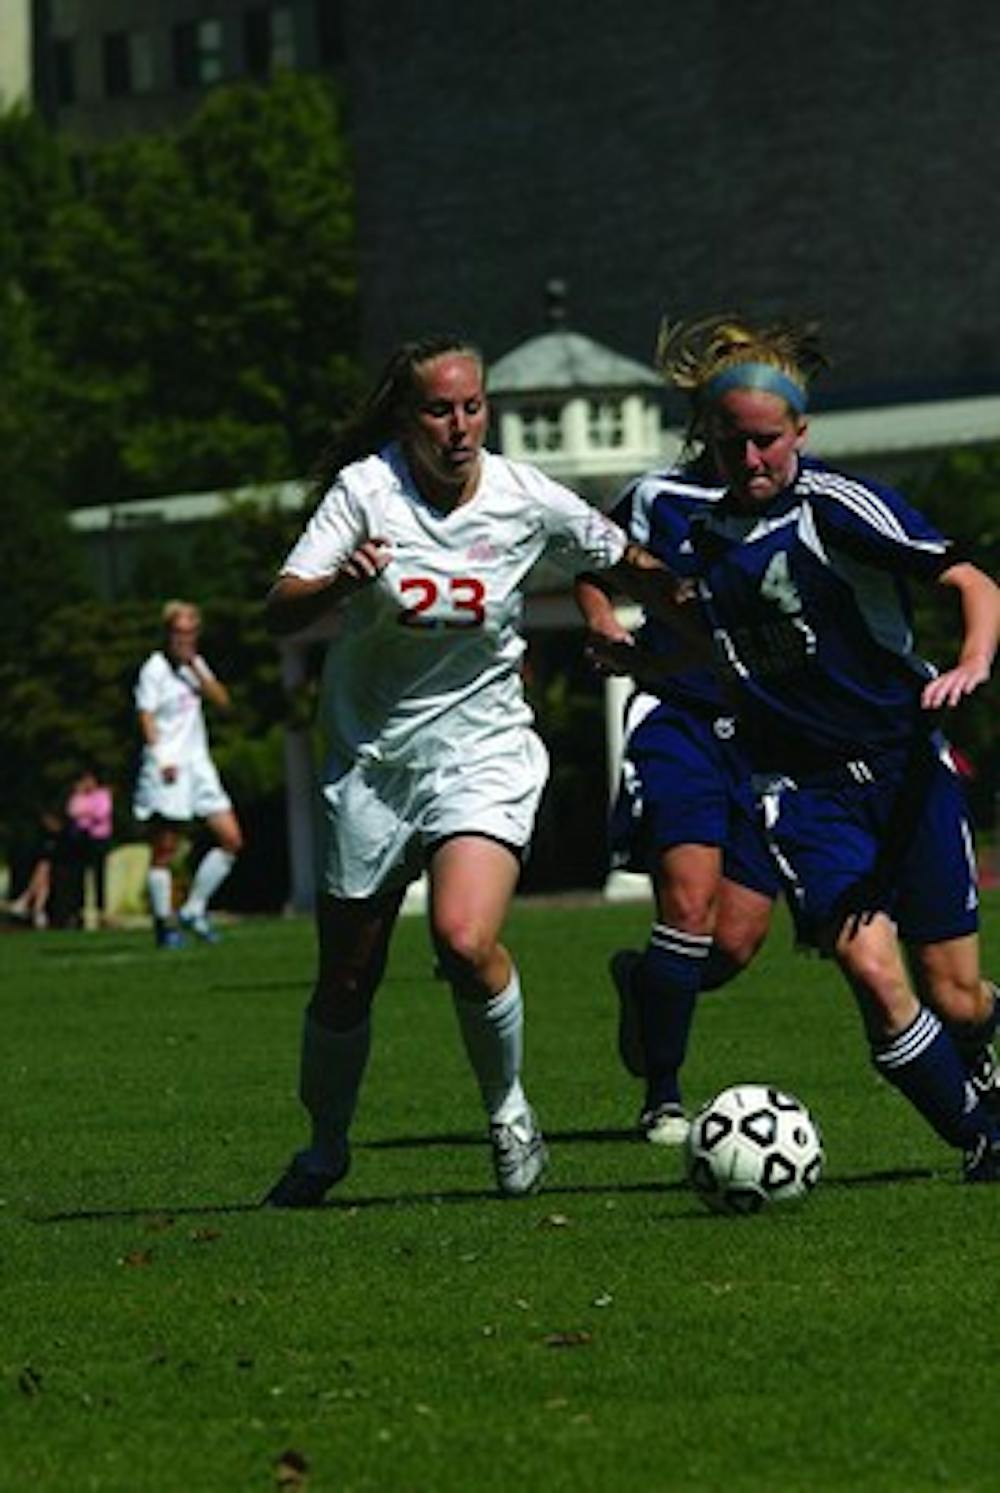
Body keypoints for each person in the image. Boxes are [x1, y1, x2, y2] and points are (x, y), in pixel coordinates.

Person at [260, 333, 693, 1207]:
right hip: (373, 761)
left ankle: (509, 1114)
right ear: (405, 416)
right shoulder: (365, 492)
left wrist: (693, 594)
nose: (459, 426)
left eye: (472, 406)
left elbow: (618, 558)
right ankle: (326, 1146)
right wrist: (344, 580)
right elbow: (279, 609)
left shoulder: (522, 493)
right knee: (347, 978)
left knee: (463, 938)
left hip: (483, 750)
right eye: (437, 409)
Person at [651, 310, 1000, 1181]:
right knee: (868, 966)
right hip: (804, 792)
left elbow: (970, 577)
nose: (754, 459)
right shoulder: (706, 540)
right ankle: (982, 1141)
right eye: (735, 445)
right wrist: (646, 661)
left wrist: (972, 661)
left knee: (957, 995)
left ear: (799, 431)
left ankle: (983, 1074)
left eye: (769, 441)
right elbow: (743, 658)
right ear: (710, 441)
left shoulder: (838, 507)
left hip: (906, 773)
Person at [575, 465, 782, 1146]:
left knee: (735, 940)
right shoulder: (656, 496)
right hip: (676, 717)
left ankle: (642, 983)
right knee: (688, 906)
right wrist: (603, 618)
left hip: (760, 732)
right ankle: (662, 1097)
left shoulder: (803, 500)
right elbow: (591, 560)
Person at [132, 600, 243, 948]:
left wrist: (196, 668)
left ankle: (194, 909)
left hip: (199, 765)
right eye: (180, 632)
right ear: (168, 634)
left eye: (192, 632)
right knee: (165, 848)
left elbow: (223, 702)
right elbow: (146, 715)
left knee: (231, 839)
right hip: (168, 764)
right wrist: (160, 756)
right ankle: (164, 923)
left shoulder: (194, 665)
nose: (186, 639)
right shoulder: (154, 669)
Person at [65, 767, 114, 927]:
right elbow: (72, 811)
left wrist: (85, 813)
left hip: (98, 838)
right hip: (80, 838)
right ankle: (77, 910)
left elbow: (102, 813)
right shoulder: (78, 796)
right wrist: (87, 812)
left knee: (99, 874)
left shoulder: (102, 795)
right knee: (78, 875)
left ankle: (102, 911)